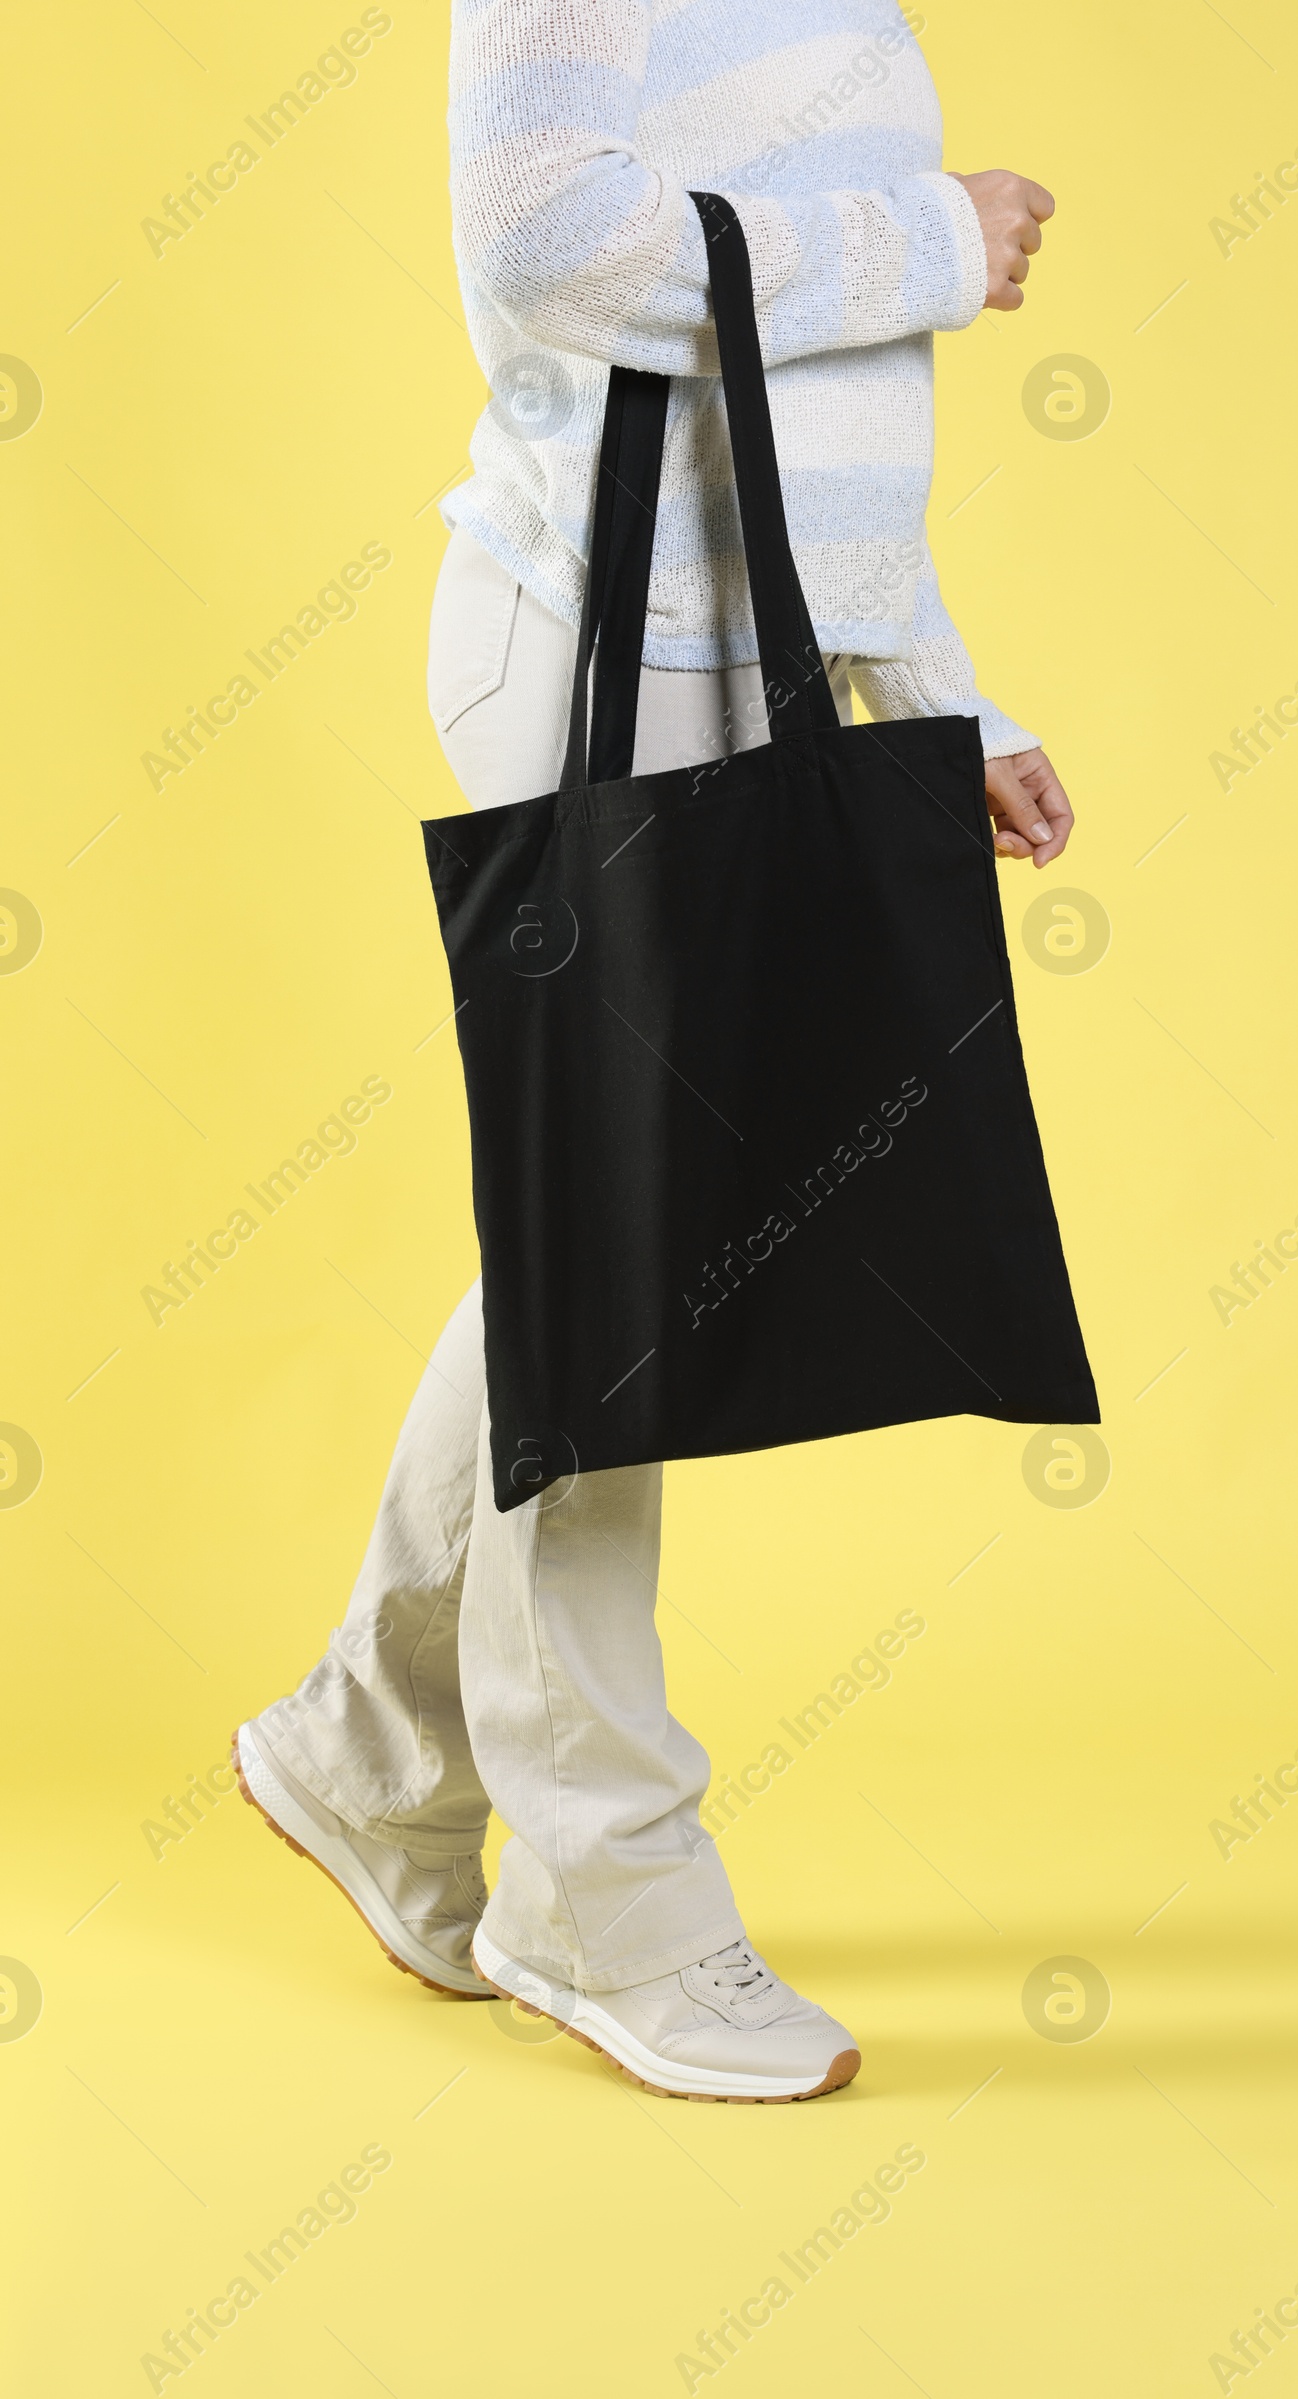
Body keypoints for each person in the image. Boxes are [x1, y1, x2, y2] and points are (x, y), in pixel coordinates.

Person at [234, 0, 1073, 2105]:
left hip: (742, 660)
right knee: (619, 1264)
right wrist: (931, 241)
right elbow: (546, 251)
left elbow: (805, 428)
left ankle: (364, 1752)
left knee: (595, 1251)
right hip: (586, 655)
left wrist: (933, 695)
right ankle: (601, 1890)